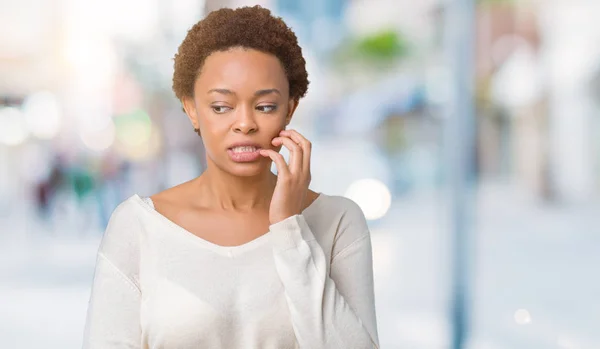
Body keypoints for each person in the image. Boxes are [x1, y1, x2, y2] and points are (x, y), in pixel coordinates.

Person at [82, 5, 379, 349]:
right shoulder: (137, 227)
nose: (245, 123)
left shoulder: (340, 222)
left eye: (265, 106)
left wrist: (289, 229)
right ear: (192, 109)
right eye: (221, 107)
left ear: (290, 108)